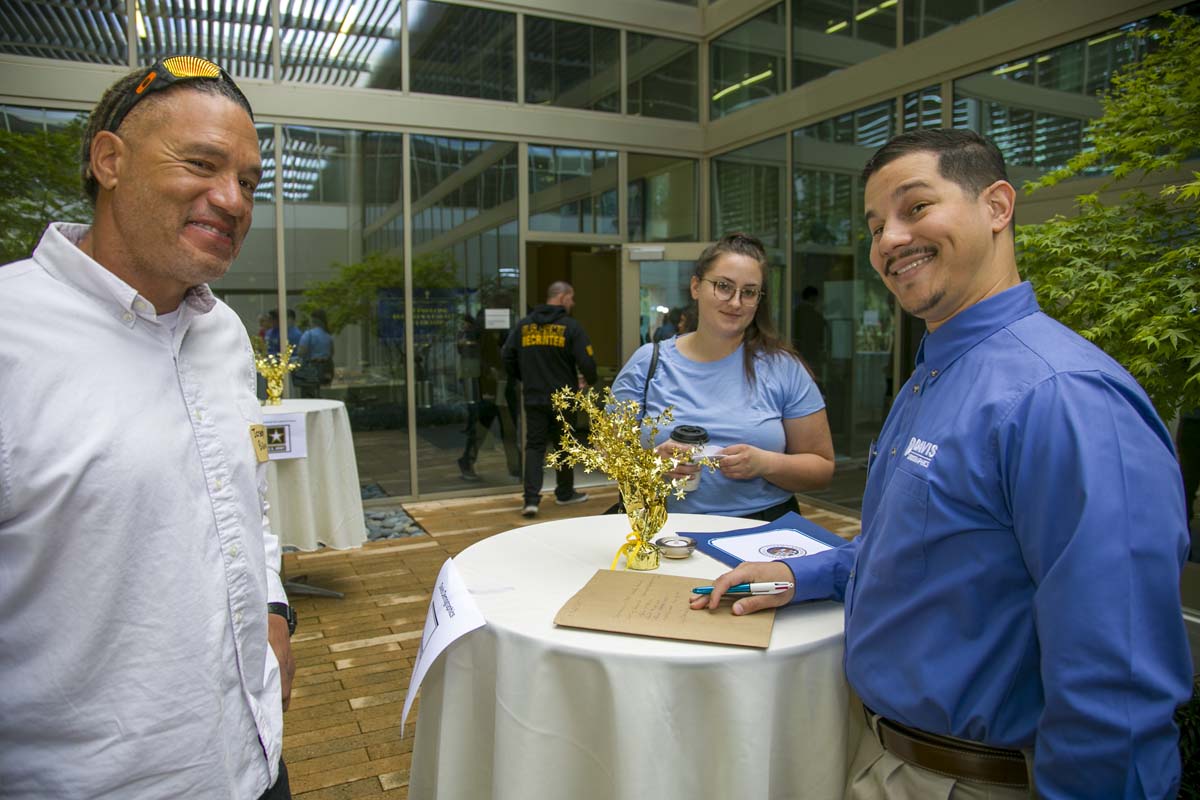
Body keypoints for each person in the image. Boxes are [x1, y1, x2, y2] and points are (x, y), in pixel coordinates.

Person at [692, 130, 1192, 798]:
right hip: (884, 756)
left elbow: (1117, 687)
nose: (889, 241)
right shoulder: (937, 374)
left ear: (997, 206)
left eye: (916, 208)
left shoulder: (1063, 397)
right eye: (874, 226)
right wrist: (798, 573)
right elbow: (927, 551)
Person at [0, 56, 295, 798]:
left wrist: (273, 608)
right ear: (110, 160)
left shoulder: (222, 331)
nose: (232, 200)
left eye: (250, 182)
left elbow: (245, 496)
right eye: (201, 163)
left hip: (253, 762)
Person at [612, 233, 835, 520]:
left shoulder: (783, 368)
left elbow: (821, 469)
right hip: (660, 529)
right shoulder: (648, 363)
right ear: (696, 287)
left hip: (761, 530)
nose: (735, 302)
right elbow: (606, 455)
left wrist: (765, 464)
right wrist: (652, 462)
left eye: (749, 292)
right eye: (723, 286)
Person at [503, 281, 597, 517]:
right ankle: (564, 493)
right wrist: (588, 379)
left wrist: (523, 378)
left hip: (534, 397)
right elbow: (586, 361)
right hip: (563, 397)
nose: (572, 303)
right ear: (563, 297)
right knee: (564, 444)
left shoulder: (524, 326)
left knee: (534, 447)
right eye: (571, 298)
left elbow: (506, 355)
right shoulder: (570, 327)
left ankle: (531, 501)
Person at [294, 307, 335, 398]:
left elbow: (301, 352)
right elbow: (331, 353)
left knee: (309, 395)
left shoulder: (309, 334)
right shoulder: (328, 336)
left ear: (313, 320)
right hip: (326, 369)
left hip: (311, 370)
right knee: (322, 393)